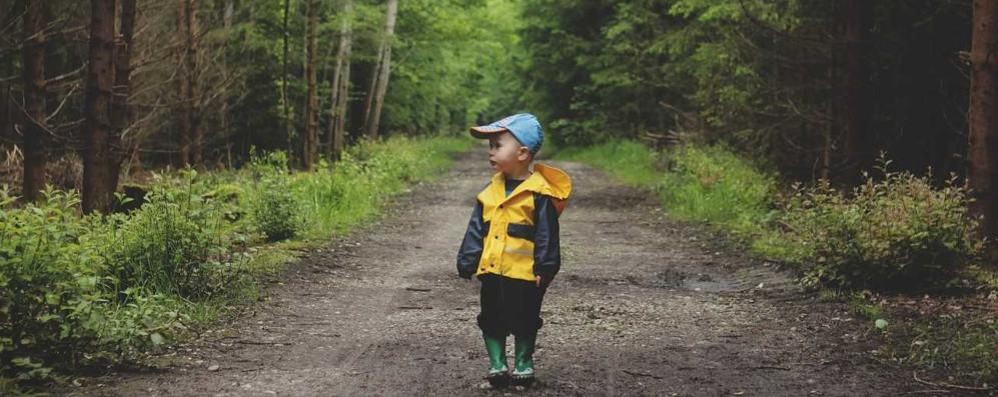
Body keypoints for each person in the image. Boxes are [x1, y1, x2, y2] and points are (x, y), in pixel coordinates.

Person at [456, 113, 572, 388]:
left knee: (526, 317)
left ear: (522, 153)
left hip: (525, 274)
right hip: (493, 270)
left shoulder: (539, 194)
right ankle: (497, 363)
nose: (491, 152)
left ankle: (523, 362)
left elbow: (546, 234)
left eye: (497, 145)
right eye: (490, 146)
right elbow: (476, 229)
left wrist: (546, 266)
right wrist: (468, 258)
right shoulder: (489, 193)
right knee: (491, 316)